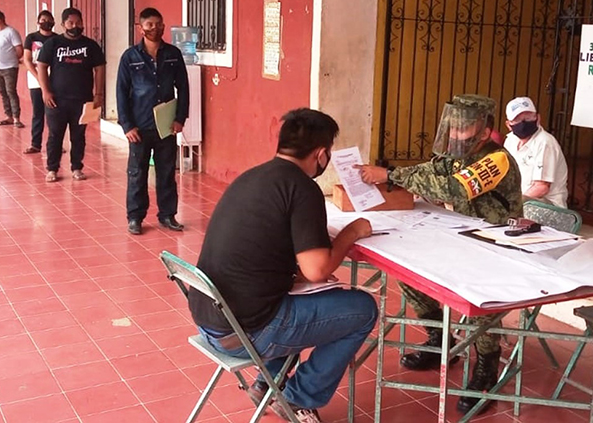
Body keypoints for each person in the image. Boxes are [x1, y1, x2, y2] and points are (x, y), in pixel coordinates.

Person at [188, 108, 378, 422]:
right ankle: (297, 399)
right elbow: (317, 270)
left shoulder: (252, 177)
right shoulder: (302, 189)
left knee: (303, 298)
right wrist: (352, 232)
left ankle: (268, 383)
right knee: (362, 310)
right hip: (247, 334)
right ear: (321, 154)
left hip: (211, 322)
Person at [355, 94, 523, 414]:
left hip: (498, 245)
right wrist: (387, 173)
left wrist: (390, 176)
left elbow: (452, 189)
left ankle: (486, 366)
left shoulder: (495, 159)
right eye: (454, 127)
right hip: (464, 237)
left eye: (464, 129)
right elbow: (428, 170)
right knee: (409, 274)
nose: (456, 135)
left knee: (479, 296)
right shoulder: (456, 156)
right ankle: (440, 339)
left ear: (485, 132)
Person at [116, 7, 189, 235]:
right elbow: (121, 92)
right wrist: (127, 125)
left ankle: (168, 215)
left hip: (166, 126)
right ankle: (135, 217)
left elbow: (184, 89)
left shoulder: (173, 54)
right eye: (150, 25)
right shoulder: (130, 57)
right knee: (137, 173)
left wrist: (180, 119)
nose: (155, 28)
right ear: (141, 28)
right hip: (139, 126)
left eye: (159, 24)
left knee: (166, 172)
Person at [37, 7, 105, 182]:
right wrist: (45, 91)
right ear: (63, 24)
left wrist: (98, 94)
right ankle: (52, 169)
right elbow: (42, 66)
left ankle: (77, 167)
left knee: (78, 136)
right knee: (55, 135)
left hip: (82, 100)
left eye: (78, 22)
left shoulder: (91, 45)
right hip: (56, 100)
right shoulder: (52, 44)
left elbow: (100, 68)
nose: (75, 26)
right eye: (71, 23)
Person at [503, 97, 569, 208]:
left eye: (528, 118)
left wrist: (513, 204)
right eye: (518, 120)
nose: (523, 123)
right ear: (509, 124)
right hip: (522, 199)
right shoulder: (510, 140)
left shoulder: (545, 143)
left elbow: (541, 188)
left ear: (538, 118)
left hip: (546, 205)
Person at [22, 10, 57, 154]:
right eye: (43, 20)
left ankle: (55, 144)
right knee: (38, 113)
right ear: (38, 22)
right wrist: (38, 77)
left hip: (54, 80)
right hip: (35, 81)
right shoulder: (31, 38)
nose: (46, 22)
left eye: (49, 19)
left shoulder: (57, 39)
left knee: (54, 114)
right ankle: (35, 144)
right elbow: (27, 60)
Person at [0, 10, 24, 128]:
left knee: (11, 91)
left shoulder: (11, 32)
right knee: (3, 92)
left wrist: (13, 60)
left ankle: (16, 118)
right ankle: (8, 116)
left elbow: (19, 49)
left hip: (9, 68)